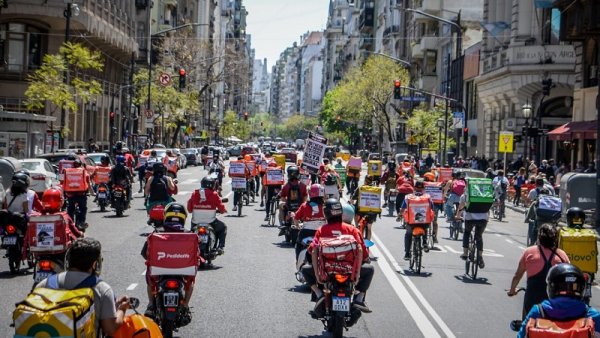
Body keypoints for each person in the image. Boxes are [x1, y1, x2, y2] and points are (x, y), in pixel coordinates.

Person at [35, 237, 130, 336]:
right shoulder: (102, 289)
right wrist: (122, 309)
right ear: (95, 264)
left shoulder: (44, 284)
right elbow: (110, 329)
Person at [301, 198, 374, 315]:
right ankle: (359, 298)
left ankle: (319, 294)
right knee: (370, 269)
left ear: (326, 213)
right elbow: (363, 252)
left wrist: (317, 273)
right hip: (350, 272)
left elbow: (312, 251)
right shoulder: (352, 229)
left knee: (305, 269)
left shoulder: (321, 230)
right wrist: (360, 268)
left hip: (327, 271)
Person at [516, 263, 600, 338]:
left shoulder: (538, 311)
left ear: (551, 287)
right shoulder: (592, 315)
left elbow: (521, 335)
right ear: (581, 288)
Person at [141, 203, 194, 321]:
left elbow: (145, 253)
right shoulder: (189, 234)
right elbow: (196, 255)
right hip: (183, 271)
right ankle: (185, 305)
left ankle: (150, 305)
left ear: (166, 216)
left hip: (159, 271)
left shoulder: (156, 233)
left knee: (149, 279)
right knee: (190, 282)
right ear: (183, 217)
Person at [507, 224, 570, 318]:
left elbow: (518, 275)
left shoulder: (529, 252)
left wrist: (512, 290)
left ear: (539, 237)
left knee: (527, 326)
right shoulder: (562, 255)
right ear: (555, 239)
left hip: (532, 300)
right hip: (555, 303)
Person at [187, 176, 228, 254]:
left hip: (196, 222)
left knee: (191, 234)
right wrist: (223, 211)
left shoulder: (194, 193)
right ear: (213, 185)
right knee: (223, 228)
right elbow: (221, 208)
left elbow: (189, 209)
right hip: (211, 222)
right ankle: (220, 247)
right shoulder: (214, 194)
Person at [456, 178, 489, 268]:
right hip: (483, 218)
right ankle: (480, 257)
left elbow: (461, 206)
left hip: (470, 218)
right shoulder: (485, 193)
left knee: (467, 233)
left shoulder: (465, 194)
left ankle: (465, 253)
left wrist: (458, 215)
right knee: (479, 237)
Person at [398, 180, 434, 260]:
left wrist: (399, 215)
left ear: (414, 188)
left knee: (408, 235)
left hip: (412, 222)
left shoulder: (408, 197)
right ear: (423, 188)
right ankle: (424, 242)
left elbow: (403, 208)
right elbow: (431, 208)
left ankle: (407, 253)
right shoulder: (428, 197)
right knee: (425, 226)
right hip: (424, 222)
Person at [293, 184, 326, 261]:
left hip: (306, 232)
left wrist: (297, 226)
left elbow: (296, 218)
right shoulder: (325, 206)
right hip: (322, 233)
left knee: (298, 245)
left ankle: (298, 261)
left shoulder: (304, 206)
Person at [65, 159, 95, 229]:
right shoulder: (84, 172)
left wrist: (65, 192)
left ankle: (70, 223)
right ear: (80, 164)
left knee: (70, 209)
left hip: (70, 194)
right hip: (81, 194)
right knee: (83, 208)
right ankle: (82, 222)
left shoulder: (68, 171)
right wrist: (92, 193)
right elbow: (89, 184)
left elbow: (64, 183)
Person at [278, 165, 307, 233]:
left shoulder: (286, 186)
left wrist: (287, 201)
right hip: (300, 206)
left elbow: (282, 198)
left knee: (280, 205)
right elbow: (305, 197)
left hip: (289, 206)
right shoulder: (303, 185)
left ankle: (282, 224)